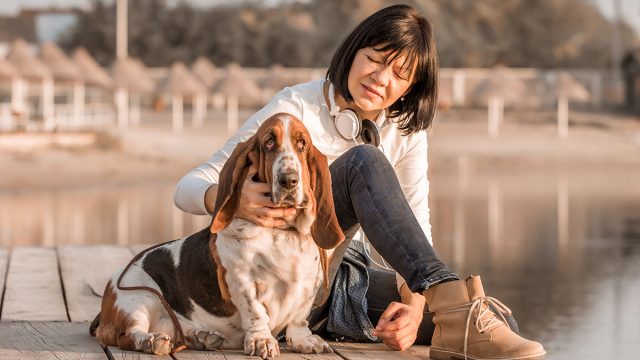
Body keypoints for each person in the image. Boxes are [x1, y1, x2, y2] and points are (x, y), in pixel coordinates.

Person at [174, 4, 545, 360]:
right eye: (376, 59)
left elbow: (416, 229)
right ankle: (450, 300)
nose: (381, 79)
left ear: (411, 87)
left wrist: (415, 308)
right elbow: (187, 187)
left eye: (400, 74)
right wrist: (231, 199)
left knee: (495, 325)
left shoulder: (406, 132)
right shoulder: (295, 108)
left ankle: (441, 308)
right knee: (362, 162)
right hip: (273, 276)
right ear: (353, 51)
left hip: (342, 280)